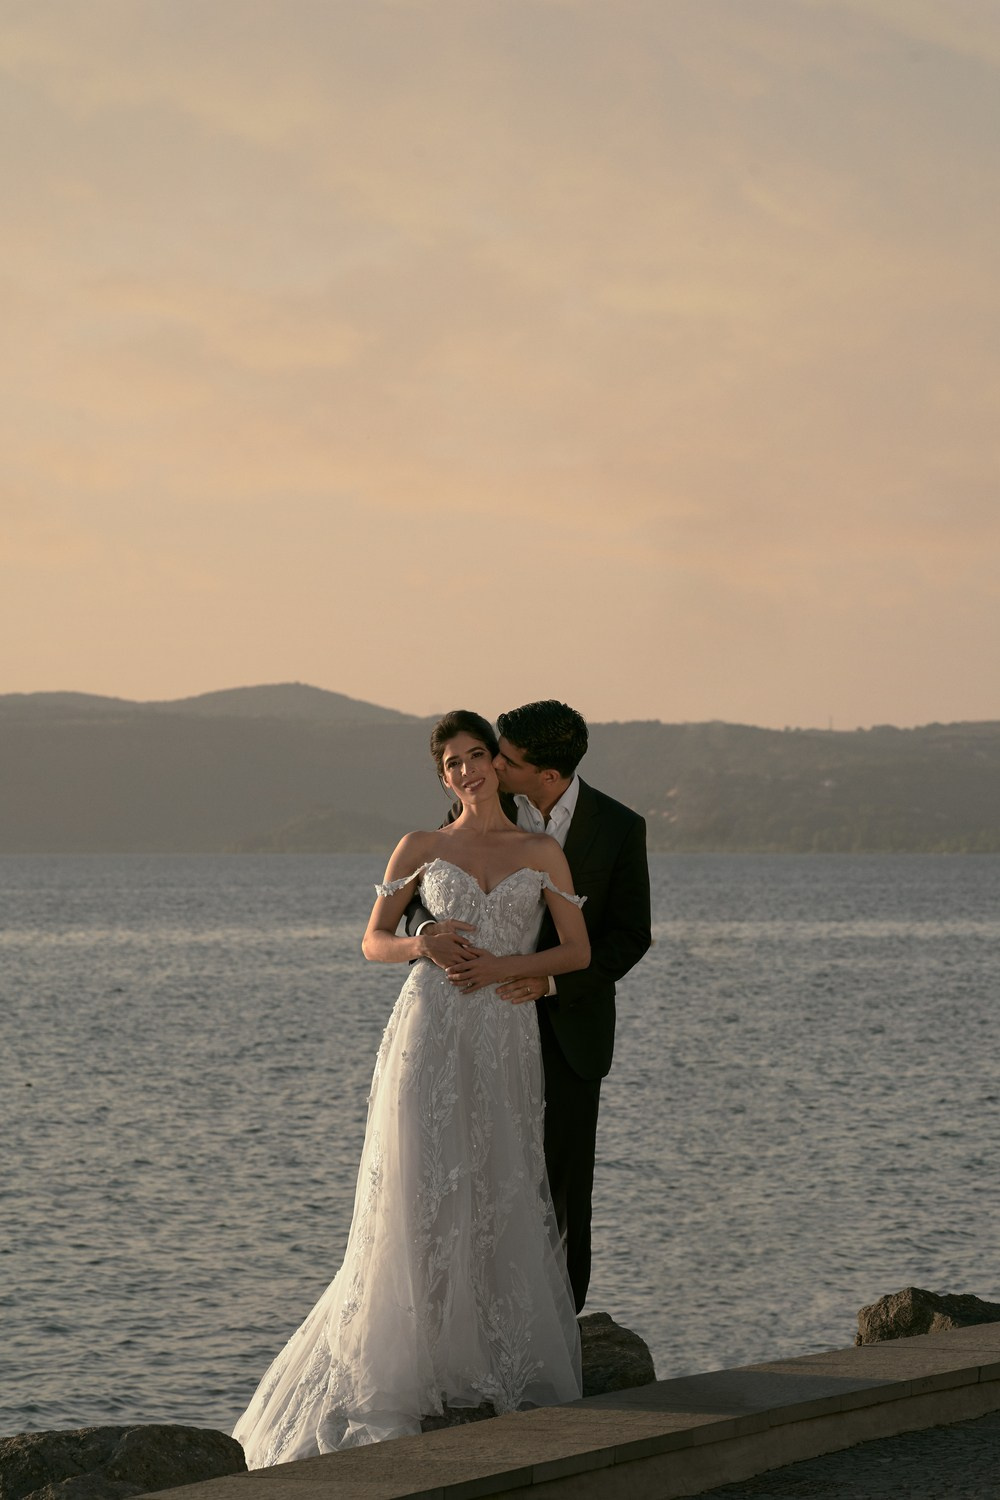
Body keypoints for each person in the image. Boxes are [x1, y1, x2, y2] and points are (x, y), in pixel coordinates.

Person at [232, 710, 590, 1466]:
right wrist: (418, 943)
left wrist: (503, 970)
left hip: (502, 1033)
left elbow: (579, 948)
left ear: (497, 762)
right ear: (442, 777)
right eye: (451, 764)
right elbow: (371, 941)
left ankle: (488, 1355)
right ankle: (411, 1359)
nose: (465, 771)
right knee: (422, 1184)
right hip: (428, 1029)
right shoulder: (421, 847)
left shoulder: (542, 850)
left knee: (497, 1178)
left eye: (475, 757)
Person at [413, 701, 651, 1312]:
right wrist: (431, 939)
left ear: (545, 774)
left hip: (569, 1025)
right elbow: (435, 884)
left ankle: (559, 1332)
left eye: (504, 758)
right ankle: (478, 1319)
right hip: (477, 1018)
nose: (487, 764)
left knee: (563, 1186)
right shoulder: (482, 803)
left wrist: (549, 984)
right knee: (480, 1171)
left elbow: (629, 935)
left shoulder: (620, 827)